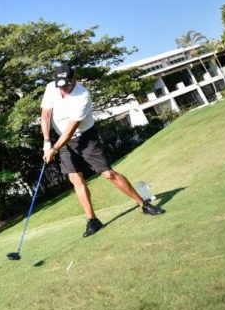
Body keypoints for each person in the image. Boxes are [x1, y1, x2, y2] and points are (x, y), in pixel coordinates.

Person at [41, 65, 164, 237]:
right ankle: (92, 220)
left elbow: (70, 130)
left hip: (85, 137)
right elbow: (46, 115)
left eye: (67, 85)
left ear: (74, 79)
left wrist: (54, 149)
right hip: (63, 141)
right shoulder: (51, 88)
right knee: (75, 178)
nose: (64, 89)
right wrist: (47, 141)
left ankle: (143, 204)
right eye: (60, 86)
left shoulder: (83, 95)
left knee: (108, 174)